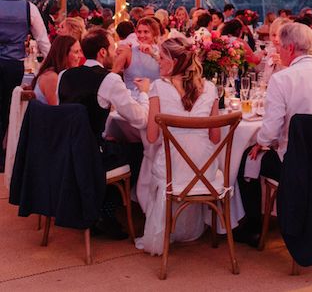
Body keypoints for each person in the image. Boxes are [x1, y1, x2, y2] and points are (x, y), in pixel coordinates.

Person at [236, 23, 312, 245]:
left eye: (280, 47)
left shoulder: (282, 80)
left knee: (246, 159)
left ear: (289, 49)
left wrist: (260, 143)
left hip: (296, 166)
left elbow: (269, 132)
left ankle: (253, 228)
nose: (277, 51)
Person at [58, 29, 150, 238]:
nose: (115, 52)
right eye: (112, 48)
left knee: (113, 142)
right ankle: (105, 213)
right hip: (90, 158)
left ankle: (92, 205)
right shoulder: (109, 80)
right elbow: (140, 119)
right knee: (136, 150)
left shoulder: (64, 75)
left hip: (64, 152)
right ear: (102, 52)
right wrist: (144, 94)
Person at [136, 37, 220, 255]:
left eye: (162, 58)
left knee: (153, 160)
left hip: (172, 174)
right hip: (204, 173)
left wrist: (145, 95)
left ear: (175, 62)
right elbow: (215, 138)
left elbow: (152, 137)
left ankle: (163, 227)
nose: (158, 62)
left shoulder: (157, 88)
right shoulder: (210, 88)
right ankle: (193, 227)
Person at [0, 0, 51, 169]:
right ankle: (5, 155)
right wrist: (53, 63)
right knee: (7, 108)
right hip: (14, 65)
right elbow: (43, 40)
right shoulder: (28, 7)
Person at [114, 17, 162, 95]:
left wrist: (152, 54)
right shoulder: (128, 50)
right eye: (139, 32)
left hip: (155, 99)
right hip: (133, 100)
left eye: (146, 32)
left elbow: (169, 73)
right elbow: (113, 73)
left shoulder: (160, 51)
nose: (142, 35)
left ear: (154, 34)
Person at [30, 34, 82, 105]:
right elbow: (56, 110)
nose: (80, 56)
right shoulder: (51, 77)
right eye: (76, 52)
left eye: (80, 51)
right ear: (64, 54)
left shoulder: (62, 75)